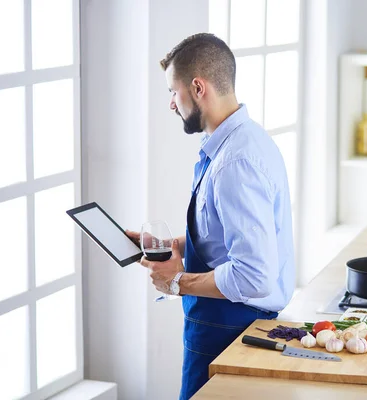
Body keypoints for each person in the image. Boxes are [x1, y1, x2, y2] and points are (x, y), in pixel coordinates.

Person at [126, 33, 295, 400]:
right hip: (225, 326)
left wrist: (176, 282)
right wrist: (170, 246)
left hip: (230, 330)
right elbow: (224, 233)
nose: (172, 104)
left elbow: (253, 276)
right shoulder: (242, 142)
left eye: (174, 91)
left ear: (198, 87)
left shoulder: (235, 162)